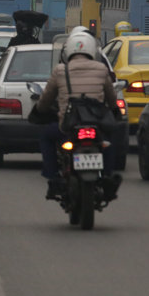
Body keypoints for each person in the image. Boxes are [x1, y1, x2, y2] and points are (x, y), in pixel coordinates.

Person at [35, 30, 119, 201]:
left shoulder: (60, 71)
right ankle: (108, 176)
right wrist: (114, 111)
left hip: (69, 126)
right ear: (93, 51)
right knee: (109, 142)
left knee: (46, 135)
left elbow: (46, 99)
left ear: (67, 52)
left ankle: (53, 177)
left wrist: (40, 109)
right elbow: (112, 99)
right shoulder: (102, 69)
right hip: (96, 126)